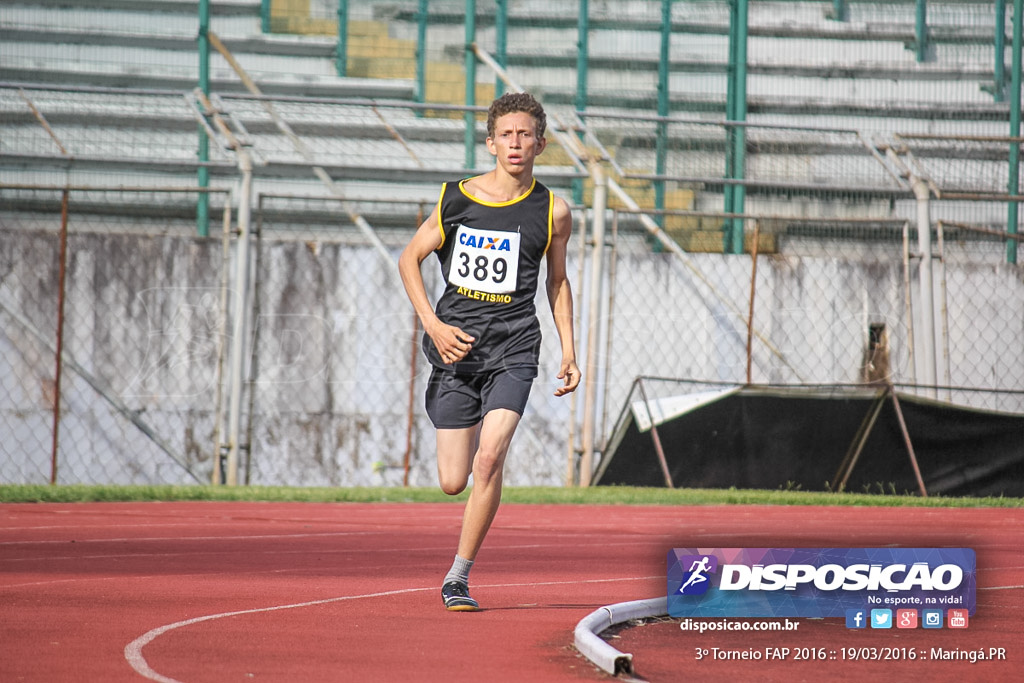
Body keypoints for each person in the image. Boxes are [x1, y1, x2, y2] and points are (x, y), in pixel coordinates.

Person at [398, 92, 581, 611]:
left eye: (526, 134)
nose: (516, 143)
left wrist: (569, 350)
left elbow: (558, 282)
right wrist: (432, 325)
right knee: (454, 481)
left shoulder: (553, 211)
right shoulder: (455, 199)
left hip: (514, 347)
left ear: (541, 144)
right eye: (507, 134)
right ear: (491, 142)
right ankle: (461, 539)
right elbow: (409, 259)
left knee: (491, 454)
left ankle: (458, 576)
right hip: (456, 351)